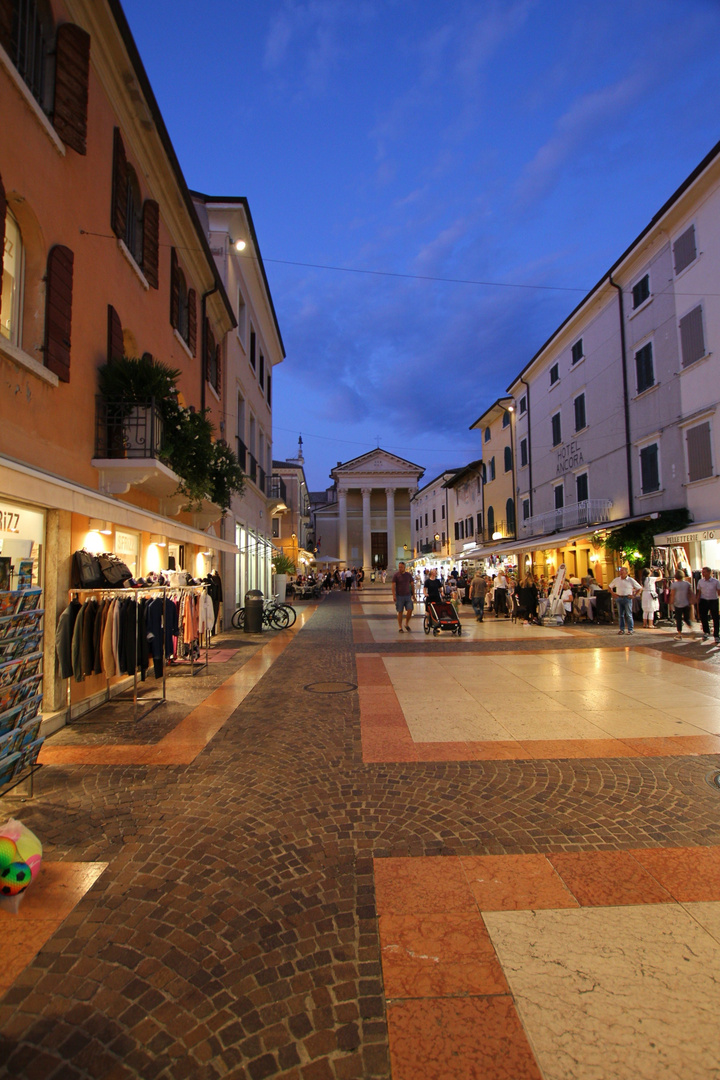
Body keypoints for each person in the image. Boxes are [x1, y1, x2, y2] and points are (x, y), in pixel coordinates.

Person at [608, 566, 641, 635]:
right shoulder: (617, 580)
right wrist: (613, 594)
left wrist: (634, 595)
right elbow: (609, 586)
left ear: (626, 572)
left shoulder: (630, 580)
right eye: (620, 571)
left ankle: (630, 629)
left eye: (622, 571)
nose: (621, 572)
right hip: (619, 598)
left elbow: (639, 588)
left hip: (627, 598)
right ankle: (621, 629)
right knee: (620, 615)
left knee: (629, 614)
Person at [695, 567, 720, 643]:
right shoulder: (700, 581)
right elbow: (699, 592)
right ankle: (706, 632)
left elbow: (719, 592)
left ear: (709, 572)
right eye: (702, 572)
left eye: (704, 572)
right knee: (704, 617)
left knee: (715, 617)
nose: (703, 573)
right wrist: (697, 600)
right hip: (703, 600)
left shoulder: (715, 581)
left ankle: (716, 635)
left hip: (713, 600)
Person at [670, 569, 694, 638]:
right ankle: (691, 629)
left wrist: (671, 602)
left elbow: (672, 594)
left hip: (678, 603)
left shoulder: (674, 585)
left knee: (679, 619)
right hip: (686, 603)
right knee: (687, 618)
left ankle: (679, 633)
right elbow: (690, 593)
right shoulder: (687, 584)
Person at [392, 560, 415, 632]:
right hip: (399, 596)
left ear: (404, 567)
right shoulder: (396, 575)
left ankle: (406, 623)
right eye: (399, 567)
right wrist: (394, 595)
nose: (400, 568)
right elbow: (393, 585)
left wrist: (414, 594)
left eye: (401, 567)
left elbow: (412, 585)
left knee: (410, 609)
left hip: (408, 595)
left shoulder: (408, 575)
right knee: (400, 611)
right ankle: (400, 627)